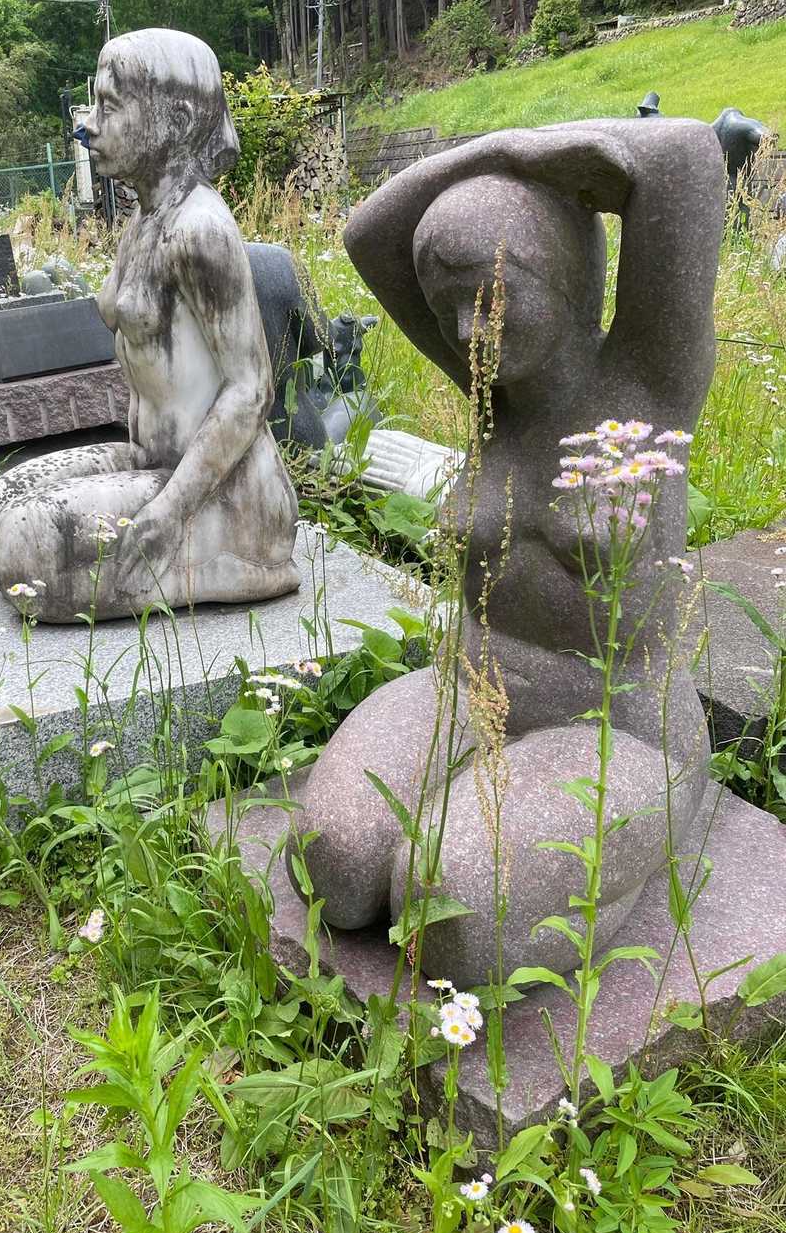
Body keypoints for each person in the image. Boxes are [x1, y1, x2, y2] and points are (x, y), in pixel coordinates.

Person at [287, 118, 725, 983]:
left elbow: (686, 158)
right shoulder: (493, 397)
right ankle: (510, 841)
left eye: (491, 296)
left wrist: (539, 153)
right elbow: (368, 233)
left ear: (567, 280)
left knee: (449, 911)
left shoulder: (646, 387)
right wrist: (494, 152)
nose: (466, 330)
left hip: (615, 733)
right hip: (466, 689)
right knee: (333, 862)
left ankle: (647, 843)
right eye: (447, 304)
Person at [0, 29, 299, 622]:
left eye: (110, 106)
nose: (87, 126)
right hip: (154, 461)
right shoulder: (145, 222)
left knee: (25, 539)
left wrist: (168, 515)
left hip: (222, 495)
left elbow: (252, 389)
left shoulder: (200, 229)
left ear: (176, 121)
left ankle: (242, 559)